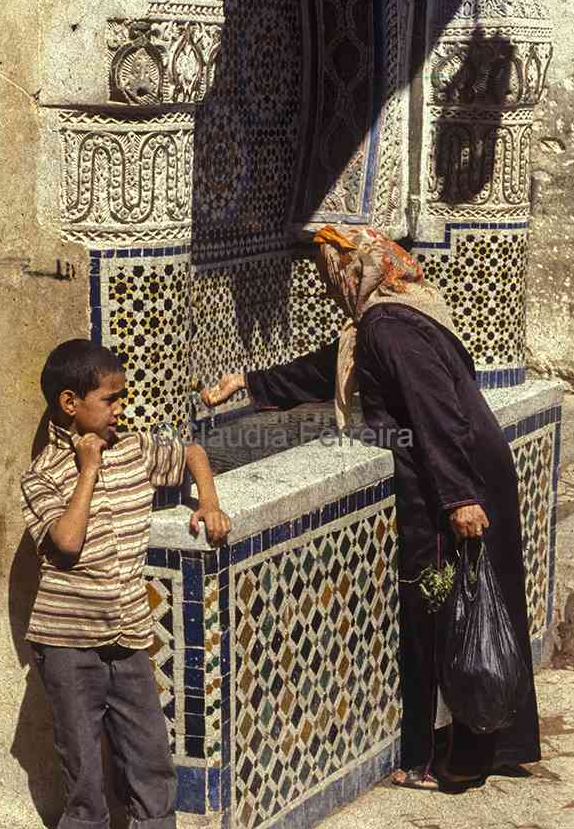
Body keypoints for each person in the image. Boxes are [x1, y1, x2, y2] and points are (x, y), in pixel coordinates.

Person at [201, 225, 541, 792]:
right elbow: (327, 367)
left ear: (352, 271)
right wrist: (247, 382)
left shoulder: (388, 326)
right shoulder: (400, 312)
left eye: (329, 273)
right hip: (469, 465)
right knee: (481, 602)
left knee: (449, 613)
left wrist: (458, 496)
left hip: (451, 477)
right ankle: (493, 741)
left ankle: (455, 762)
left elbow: (433, 406)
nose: (328, 284)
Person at [21, 338, 230, 829]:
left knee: (147, 737)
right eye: (110, 400)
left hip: (129, 625)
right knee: (80, 741)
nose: (120, 411)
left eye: (122, 399)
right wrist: (86, 471)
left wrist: (207, 501)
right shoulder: (42, 475)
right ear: (70, 403)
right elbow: (65, 542)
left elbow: (192, 453)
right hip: (67, 636)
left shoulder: (134, 449)